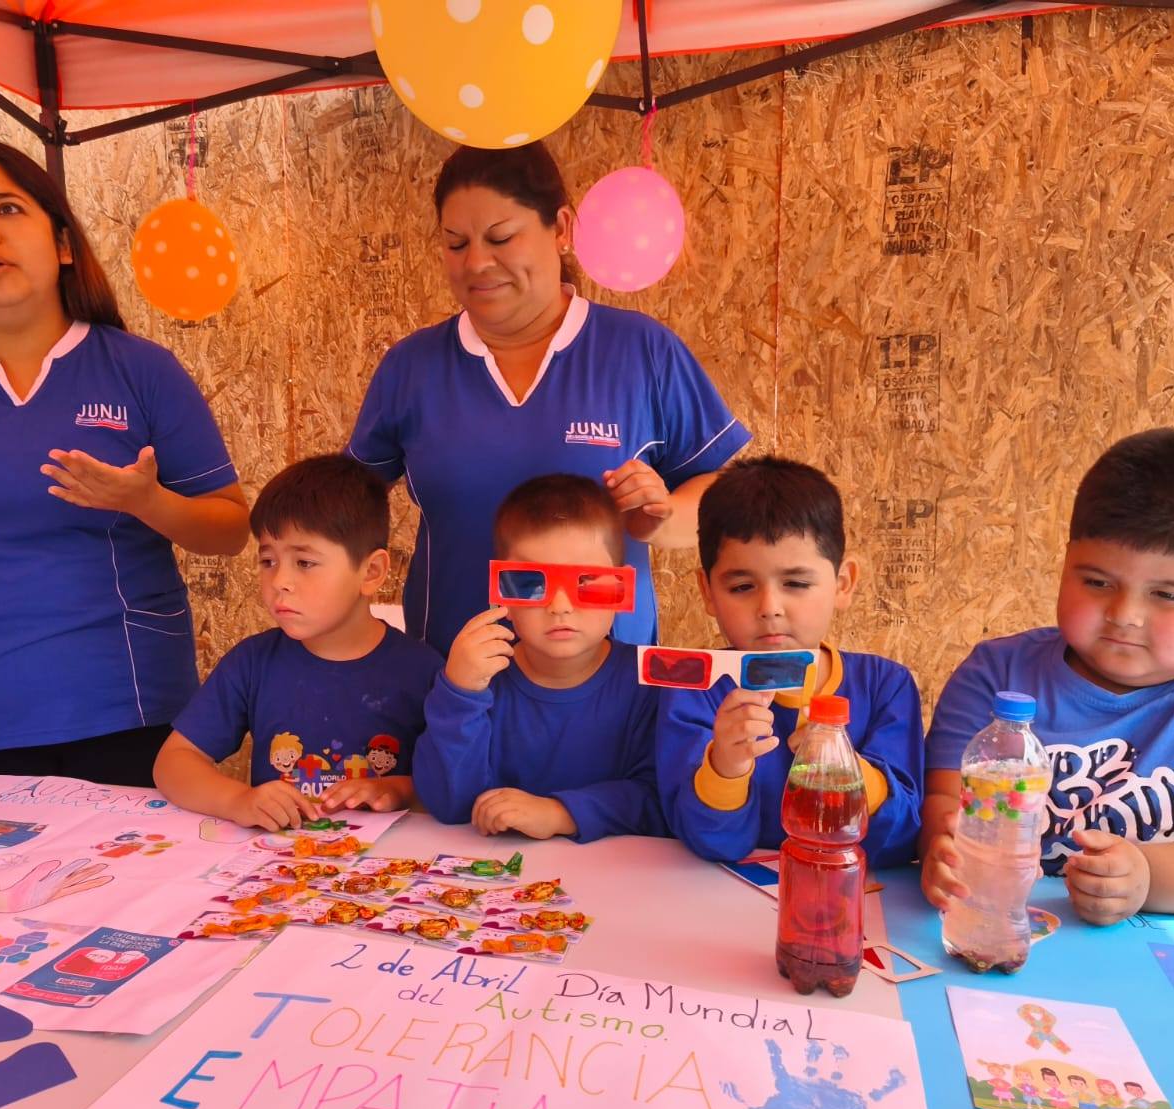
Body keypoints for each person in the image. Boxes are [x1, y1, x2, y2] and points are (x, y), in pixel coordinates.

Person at [0, 140, 247, 785]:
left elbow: (230, 528)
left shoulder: (140, 370)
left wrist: (146, 501)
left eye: (6, 208)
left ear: (62, 244)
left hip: (127, 707)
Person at [347, 142, 750, 656]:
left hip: (606, 685)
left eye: (501, 238)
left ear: (560, 228)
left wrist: (664, 515)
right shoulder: (412, 367)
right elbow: (344, 510)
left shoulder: (641, 351)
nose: (476, 263)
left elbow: (723, 496)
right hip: (453, 680)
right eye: (455, 243)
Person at [921, 428, 1174, 923]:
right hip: (997, 936)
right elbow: (944, 802)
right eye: (1097, 582)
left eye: (1168, 595)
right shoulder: (995, 672)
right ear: (1065, 566)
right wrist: (943, 851)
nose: (1124, 614)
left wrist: (1150, 876)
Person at [656, 456, 923, 865]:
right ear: (708, 592)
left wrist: (844, 772)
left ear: (843, 583)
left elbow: (898, 841)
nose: (769, 607)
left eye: (796, 583)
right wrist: (725, 765)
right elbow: (714, 844)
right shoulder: (697, 688)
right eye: (742, 586)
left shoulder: (886, 685)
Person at [154, 455, 443, 829]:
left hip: (389, 871)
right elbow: (173, 761)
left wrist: (400, 789)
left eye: (304, 563)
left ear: (370, 572)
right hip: (275, 868)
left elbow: (458, 781)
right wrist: (239, 800)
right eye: (268, 561)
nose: (279, 582)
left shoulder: (423, 671)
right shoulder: (253, 663)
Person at [415, 474, 664, 842]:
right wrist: (460, 693)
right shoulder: (479, 680)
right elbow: (449, 804)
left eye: (587, 583)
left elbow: (662, 801)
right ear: (502, 597)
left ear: (622, 590)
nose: (559, 606)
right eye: (531, 583)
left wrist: (562, 813)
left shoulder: (649, 682)